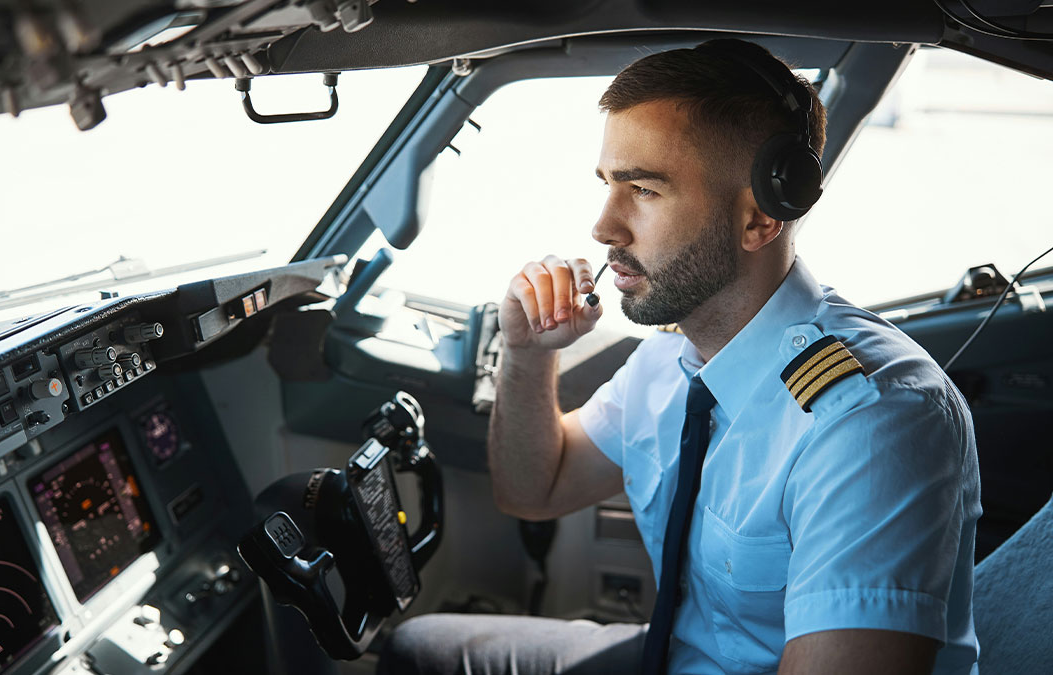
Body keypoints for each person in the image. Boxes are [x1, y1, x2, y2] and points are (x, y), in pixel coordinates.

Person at [377, 39, 981, 674]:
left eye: (643, 189)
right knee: (420, 652)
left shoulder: (872, 422)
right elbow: (535, 489)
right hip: (677, 655)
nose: (603, 226)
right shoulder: (671, 360)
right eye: (609, 184)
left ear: (759, 219)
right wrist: (527, 355)